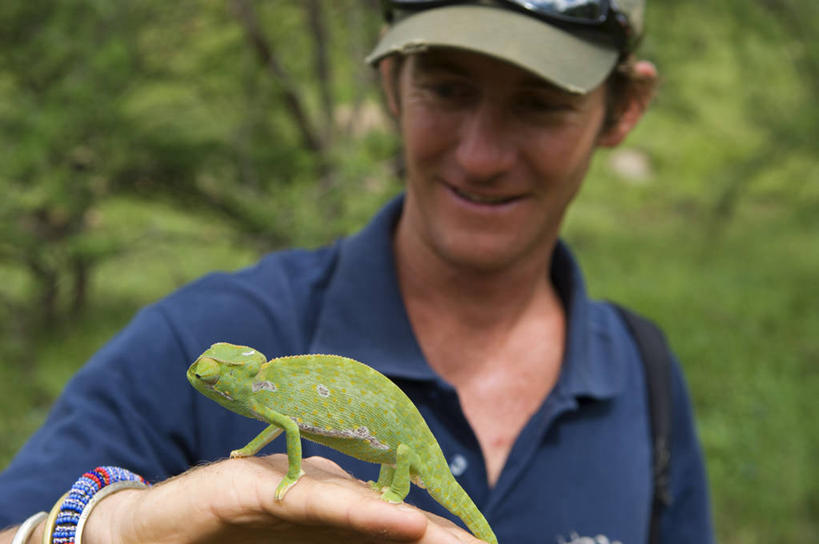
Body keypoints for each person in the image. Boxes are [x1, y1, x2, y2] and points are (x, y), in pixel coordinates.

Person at [0, 1, 715, 543]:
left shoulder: (646, 375)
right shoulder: (199, 329)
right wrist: (111, 529)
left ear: (623, 109)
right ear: (391, 82)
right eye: (447, 89)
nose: (481, 156)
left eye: (540, 104)